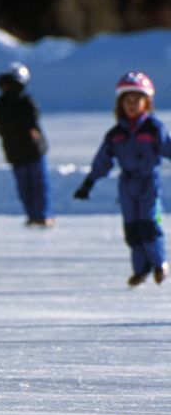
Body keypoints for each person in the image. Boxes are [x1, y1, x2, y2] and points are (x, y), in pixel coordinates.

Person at [74, 71, 171, 286]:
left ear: (147, 102)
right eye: (128, 100)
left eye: (138, 100)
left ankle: (159, 264)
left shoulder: (154, 128)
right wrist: (88, 183)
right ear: (121, 103)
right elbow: (103, 160)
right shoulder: (116, 133)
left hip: (148, 183)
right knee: (132, 229)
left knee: (148, 225)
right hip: (127, 185)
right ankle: (140, 270)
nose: (132, 105)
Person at [0, 62, 52, 227]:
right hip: (31, 151)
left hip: (18, 152)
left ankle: (35, 215)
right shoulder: (25, 102)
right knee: (37, 185)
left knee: (27, 186)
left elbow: (0, 130)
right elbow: (32, 121)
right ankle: (40, 215)